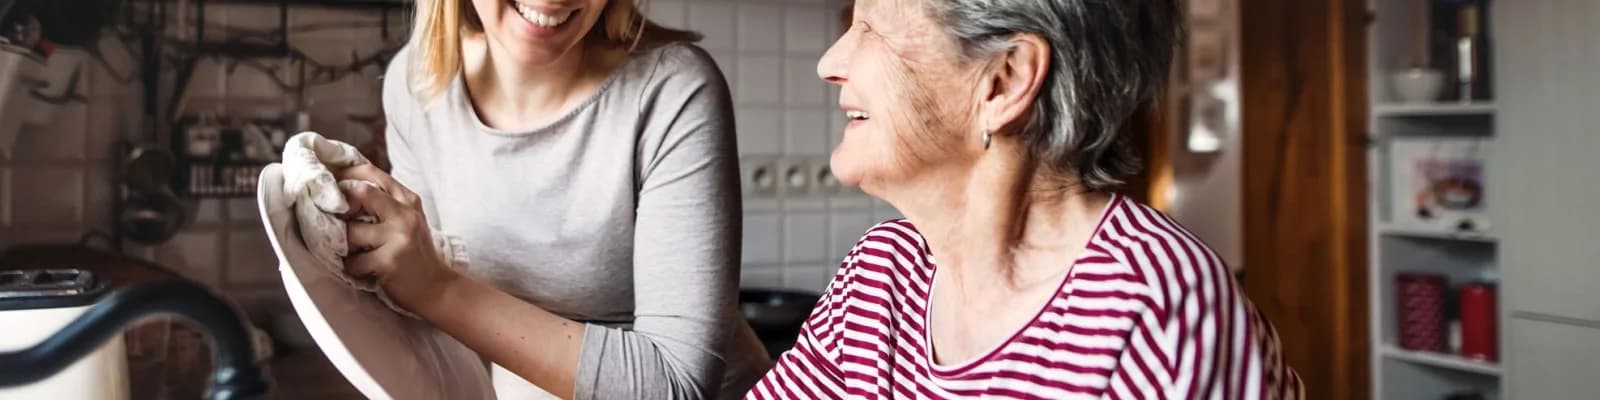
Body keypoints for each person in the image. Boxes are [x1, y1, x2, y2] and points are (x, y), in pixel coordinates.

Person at [748, 0, 1303, 398]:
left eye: (871, 27)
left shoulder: (1154, 311)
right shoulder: (882, 270)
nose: (829, 63)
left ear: (1005, 81)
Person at [330, 0, 769, 398]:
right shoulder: (418, 85)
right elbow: (429, 314)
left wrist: (435, 289)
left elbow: (676, 384)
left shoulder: (670, 90)